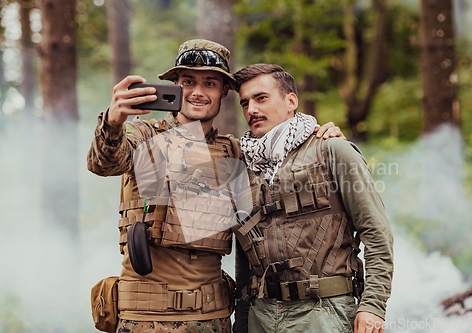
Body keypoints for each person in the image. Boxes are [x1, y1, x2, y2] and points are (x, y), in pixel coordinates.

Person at [87, 39, 343, 333]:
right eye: (188, 81)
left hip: (213, 319)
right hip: (146, 319)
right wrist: (112, 121)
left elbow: (284, 170)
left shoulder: (236, 153)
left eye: (209, 83)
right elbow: (103, 163)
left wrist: (323, 136)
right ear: (175, 85)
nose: (197, 92)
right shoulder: (142, 135)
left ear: (224, 91)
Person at [231, 64, 394, 333]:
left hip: (324, 313)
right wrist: (243, 319)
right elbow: (245, 256)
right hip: (261, 315)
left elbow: (376, 233)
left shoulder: (332, 150)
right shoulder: (244, 166)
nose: (252, 110)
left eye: (261, 98)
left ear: (290, 101)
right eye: (245, 103)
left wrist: (372, 306)